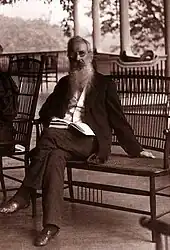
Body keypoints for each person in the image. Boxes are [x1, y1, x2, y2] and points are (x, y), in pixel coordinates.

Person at [0, 36, 154, 247]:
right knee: (54, 158)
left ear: (89, 55)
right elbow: (45, 112)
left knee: (49, 137)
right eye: (73, 54)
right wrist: (56, 117)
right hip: (63, 139)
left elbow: (118, 120)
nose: (77, 58)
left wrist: (136, 150)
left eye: (82, 53)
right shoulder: (64, 83)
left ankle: (24, 193)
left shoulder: (104, 84)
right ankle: (50, 226)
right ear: (68, 55)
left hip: (89, 141)